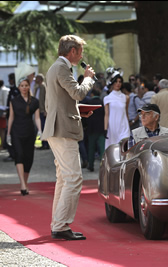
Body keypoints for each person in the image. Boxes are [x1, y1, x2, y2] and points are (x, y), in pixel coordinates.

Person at [41, 35, 95, 240]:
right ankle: (61, 225)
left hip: (58, 128)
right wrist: (88, 77)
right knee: (73, 178)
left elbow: (57, 102)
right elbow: (78, 93)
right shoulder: (62, 68)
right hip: (63, 130)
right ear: (72, 51)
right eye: (80, 51)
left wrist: (78, 112)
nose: (82, 55)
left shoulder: (55, 67)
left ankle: (59, 224)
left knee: (64, 179)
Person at [7, 77, 41, 195]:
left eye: (26, 85)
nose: (24, 88)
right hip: (16, 131)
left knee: (28, 159)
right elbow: (11, 117)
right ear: (18, 87)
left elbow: (36, 118)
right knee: (19, 155)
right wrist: (8, 134)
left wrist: (41, 131)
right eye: (22, 85)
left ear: (28, 86)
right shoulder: (14, 101)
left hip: (29, 132)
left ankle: (25, 184)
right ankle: (22, 184)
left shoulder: (35, 101)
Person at [103, 70, 130, 149]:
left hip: (124, 127)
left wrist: (129, 124)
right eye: (116, 81)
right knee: (114, 149)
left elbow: (126, 112)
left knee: (124, 148)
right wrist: (105, 129)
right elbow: (106, 115)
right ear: (112, 83)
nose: (118, 83)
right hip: (112, 127)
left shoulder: (126, 97)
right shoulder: (107, 98)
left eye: (120, 81)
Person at [85, 86, 105, 172]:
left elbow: (85, 117)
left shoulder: (89, 102)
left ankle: (91, 165)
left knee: (91, 148)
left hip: (91, 129)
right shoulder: (102, 103)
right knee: (102, 148)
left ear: (92, 94)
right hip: (101, 128)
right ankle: (103, 165)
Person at [33, 73, 49, 150]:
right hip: (37, 110)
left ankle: (46, 144)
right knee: (40, 127)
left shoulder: (43, 87)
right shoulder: (37, 87)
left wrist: (46, 110)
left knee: (43, 127)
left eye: (37, 78)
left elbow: (46, 99)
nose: (35, 79)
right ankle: (43, 143)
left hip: (42, 110)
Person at [0, 80, 10, 150]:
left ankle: (3, 144)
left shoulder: (4, 90)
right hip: (2, 110)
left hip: (2, 110)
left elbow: (5, 101)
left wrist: (4, 112)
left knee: (2, 129)